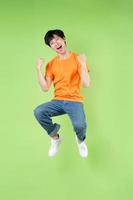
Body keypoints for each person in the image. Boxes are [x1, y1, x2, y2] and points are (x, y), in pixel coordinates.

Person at [34, 29, 91, 158]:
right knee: (39, 111)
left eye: (57, 39)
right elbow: (45, 88)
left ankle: (81, 141)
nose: (56, 44)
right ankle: (55, 138)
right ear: (50, 47)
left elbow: (86, 84)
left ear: (64, 39)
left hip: (75, 101)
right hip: (58, 101)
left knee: (80, 126)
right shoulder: (51, 64)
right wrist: (38, 69)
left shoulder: (77, 58)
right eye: (52, 43)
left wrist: (82, 64)